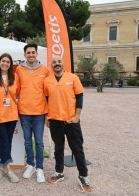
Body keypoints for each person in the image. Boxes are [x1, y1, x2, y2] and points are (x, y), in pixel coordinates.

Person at [44, 56, 92, 192]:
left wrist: (77, 116)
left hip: (71, 120)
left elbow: (79, 96)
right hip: (54, 120)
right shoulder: (47, 81)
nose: (56, 64)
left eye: (59, 62)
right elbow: (46, 99)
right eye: (54, 62)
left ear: (63, 63)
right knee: (58, 148)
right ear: (51, 65)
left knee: (77, 148)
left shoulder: (73, 78)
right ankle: (59, 173)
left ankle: (83, 176)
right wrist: (46, 117)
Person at [16, 43, 49, 183]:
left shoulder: (45, 69)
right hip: (24, 111)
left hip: (40, 112)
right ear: (24, 55)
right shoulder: (19, 69)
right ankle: (30, 164)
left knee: (40, 142)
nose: (31, 54)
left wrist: (49, 113)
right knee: (28, 141)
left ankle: (39, 168)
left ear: (36, 54)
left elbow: (48, 92)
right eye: (28, 52)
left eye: (33, 52)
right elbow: (16, 90)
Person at [0, 53, 20, 183]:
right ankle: (9, 171)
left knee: (8, 141)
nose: (5, 64)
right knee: (3, 140)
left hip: (12, 114)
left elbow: (19, 94)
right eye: (3, 61)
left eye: (8, 62)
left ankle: (2, 166)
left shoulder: (15, 78)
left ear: (10, 64)